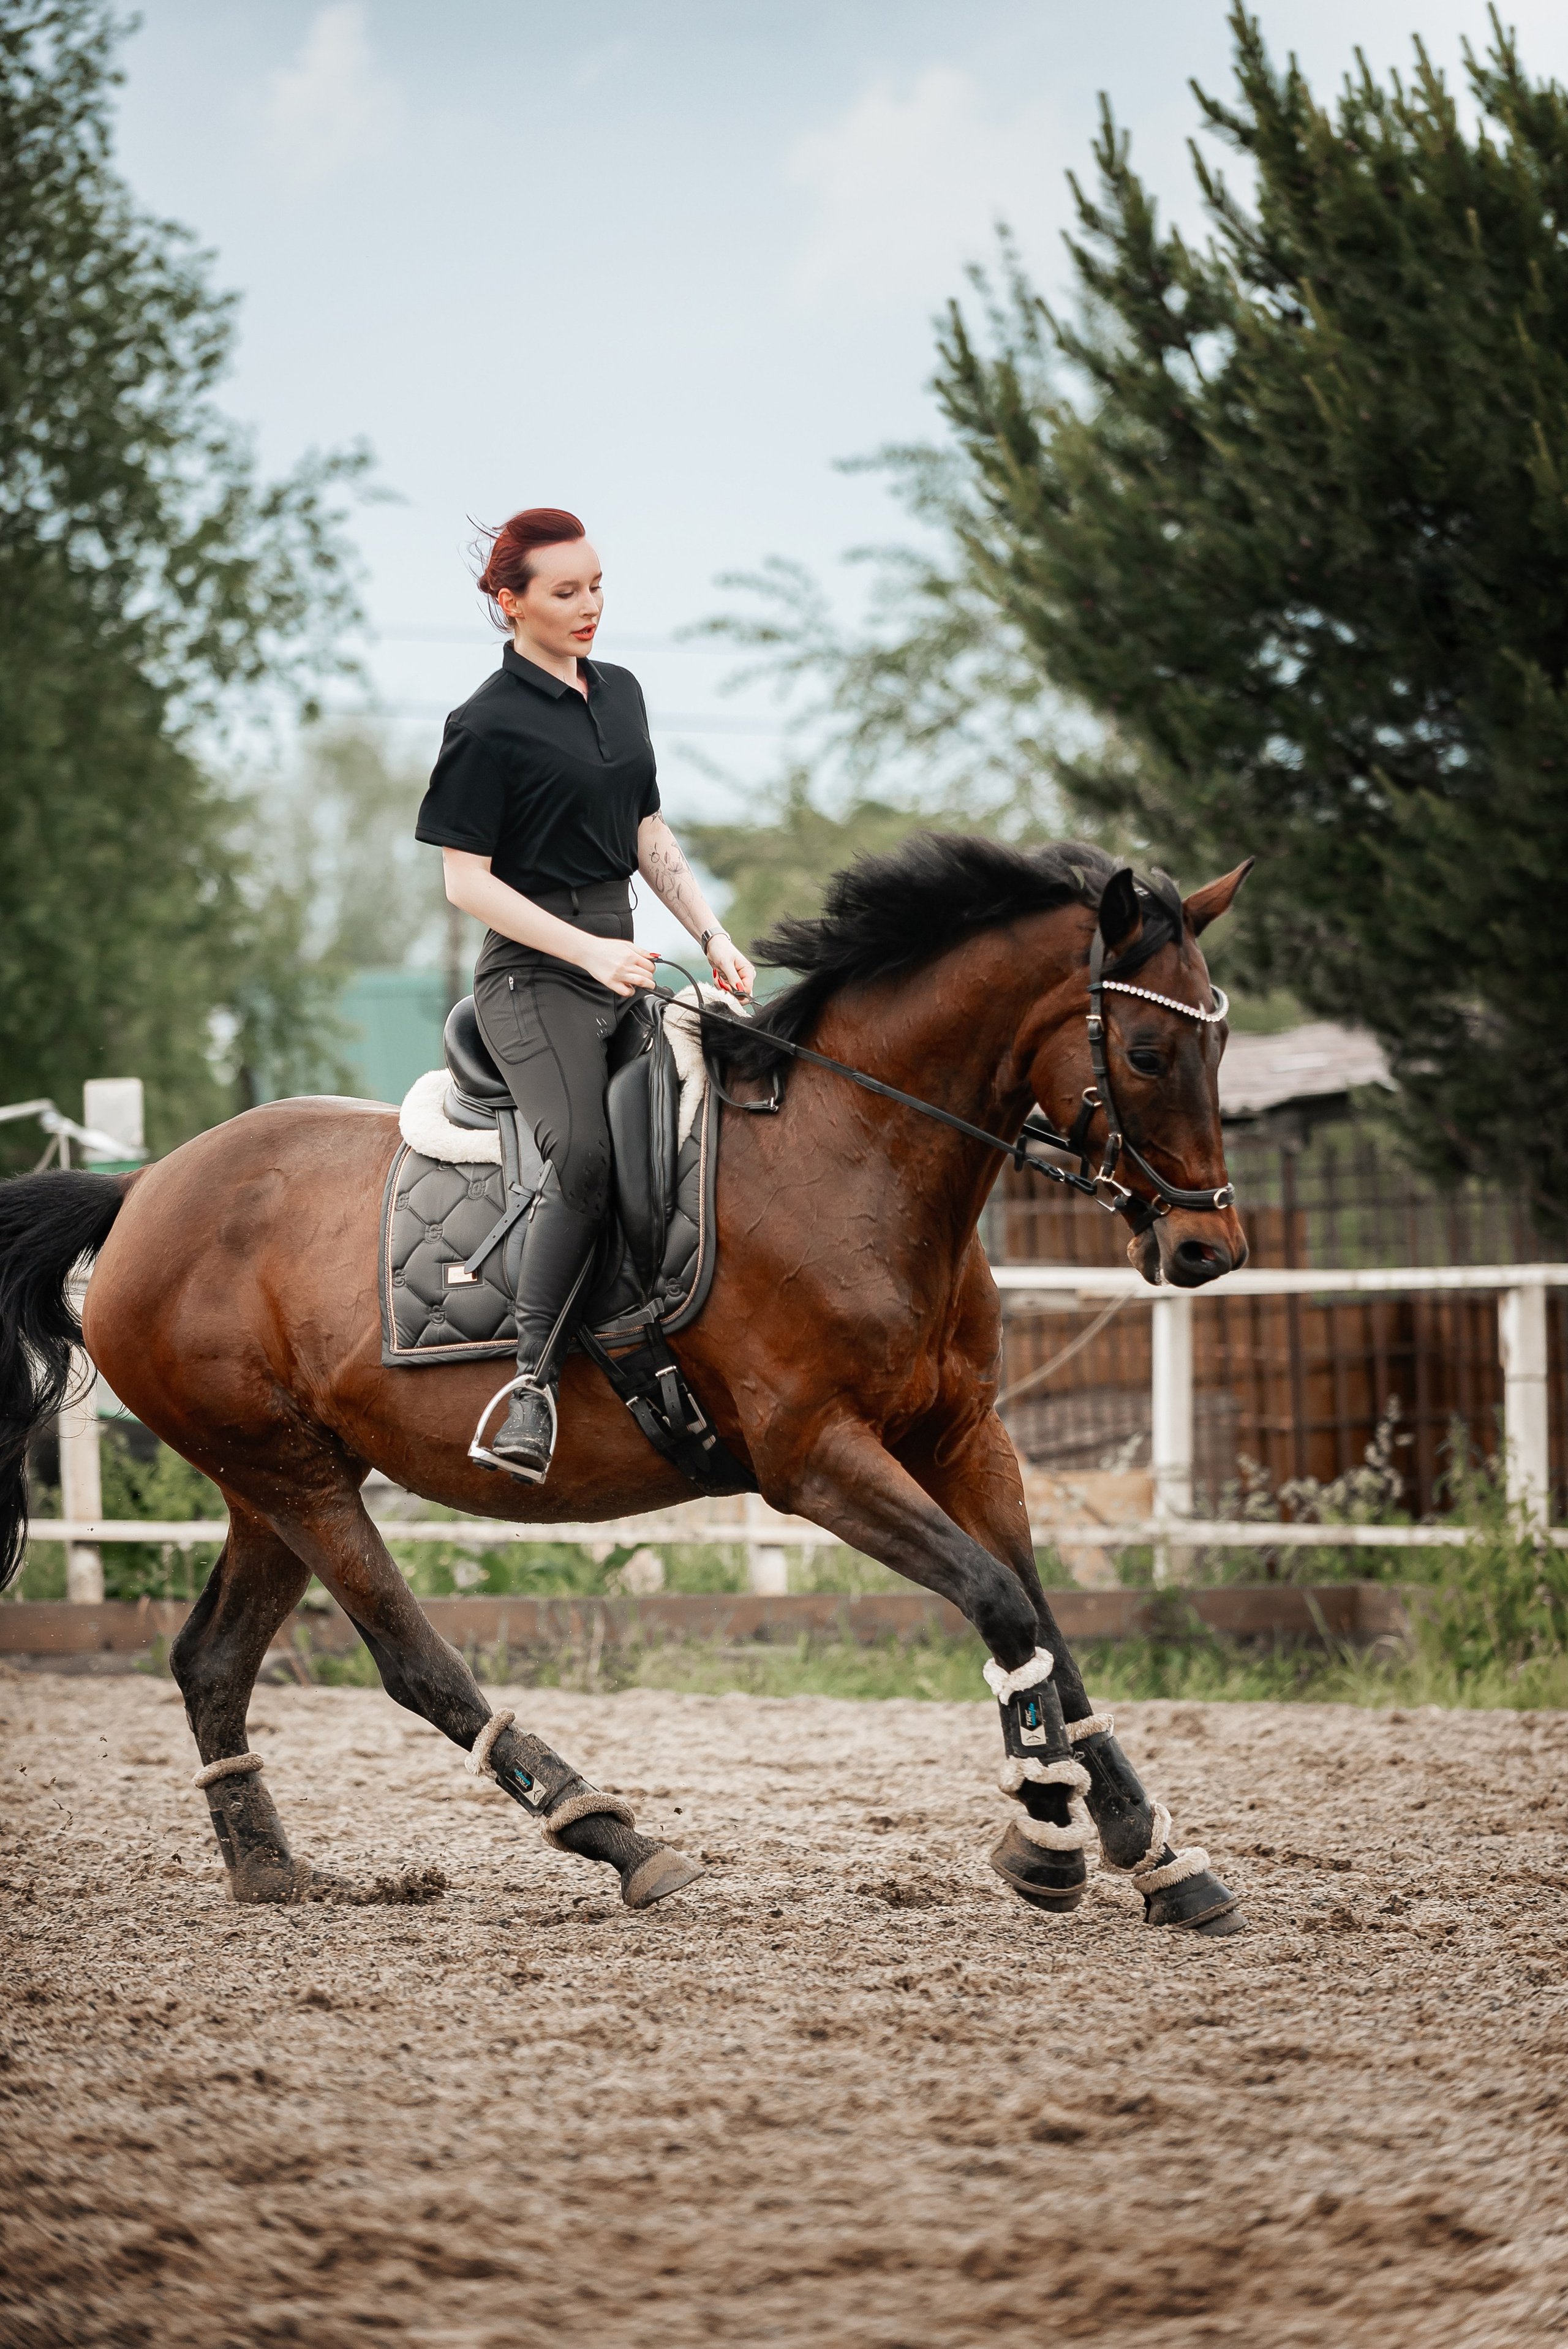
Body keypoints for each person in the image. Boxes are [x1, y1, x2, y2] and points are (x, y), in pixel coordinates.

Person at [413, 508, 756, 1481]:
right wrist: (587, 952)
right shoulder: (484, 723)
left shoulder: (623, 694)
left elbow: (647, 830)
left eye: (597, 585)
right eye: (566, 591)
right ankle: (529, 1386)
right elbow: (465, 882)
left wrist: (712, 934)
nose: (589, 605)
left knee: (703, 1132)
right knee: (587, 1156)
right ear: (510, 603)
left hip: (623, 962)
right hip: (532, 979)